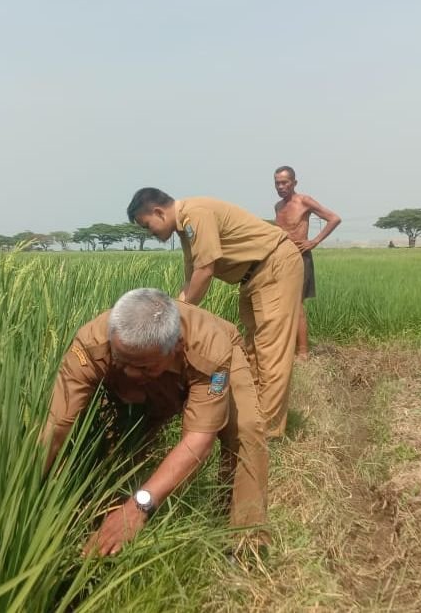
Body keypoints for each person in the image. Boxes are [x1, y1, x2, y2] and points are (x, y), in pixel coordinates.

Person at [40, 288, 269, 556]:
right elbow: (55, 427)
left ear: (177, 347)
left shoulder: (208, 350)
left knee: (245, 431)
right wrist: (26, 488)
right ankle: (104, 512)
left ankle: (244, 542)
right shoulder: (91, 344)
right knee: (121, 436)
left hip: (209, 360)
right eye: (121, 360)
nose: (129, 373)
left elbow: (198, 441)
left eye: (143, 367)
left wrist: (139, 506)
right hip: (157, 367)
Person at [127, 188, 302, 439]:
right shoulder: (186, 230)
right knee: (253, 351)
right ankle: (253, 419)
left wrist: (177, 318)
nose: (150, 233)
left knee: (271, 352)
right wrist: (170, 316)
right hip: (253, 275)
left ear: (158, 212)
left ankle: (267, 434)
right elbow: (191, 283)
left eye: (147, 225)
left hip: (274, 265)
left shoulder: (195, 214)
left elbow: (205, 271)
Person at [272, 166, 342, 360]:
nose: (281, 186)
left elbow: (334, 219)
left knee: (296, 304)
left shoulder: (304, 201)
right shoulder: (278, 206)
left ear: (294, 183)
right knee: (282, 304)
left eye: (284, 182)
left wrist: (314, 241)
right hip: (281, 259)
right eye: (277, 182)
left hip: (300, 257)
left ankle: (303, 352)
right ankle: (288, 348)